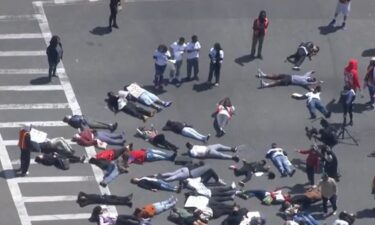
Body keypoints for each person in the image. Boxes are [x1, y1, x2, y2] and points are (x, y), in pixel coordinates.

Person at [158, 162, 226, 185]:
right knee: (174, 177)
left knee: (172, 173)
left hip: (185, 168)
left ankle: (162, 175)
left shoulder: (195, 165)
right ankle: (163, 181)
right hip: (188, 173)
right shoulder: (200, 170)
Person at [257, 69, 323, 89]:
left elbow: (313, 83)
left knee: (277, 81)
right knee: (276, 75)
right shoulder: (306, 77)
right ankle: (263, 75)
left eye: (312, 80)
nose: (311, 79)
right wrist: (311, 71)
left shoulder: (306, 83)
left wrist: (318, 82)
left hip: (289, 81)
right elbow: (308, 73)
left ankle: (265, 85)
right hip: (289, 76)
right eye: (312, 78)